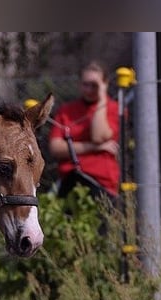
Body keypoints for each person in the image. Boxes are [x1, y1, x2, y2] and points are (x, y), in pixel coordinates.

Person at [48, 61, 120, 204]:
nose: (88, 90)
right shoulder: (66, 111)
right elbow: (56, 148)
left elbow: (98, 136)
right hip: (71, 180)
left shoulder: (112, 108)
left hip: (101, 183)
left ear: (104, 84)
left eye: (94, 85)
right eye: (85, 84)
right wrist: (95, 148)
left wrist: (101, 100)